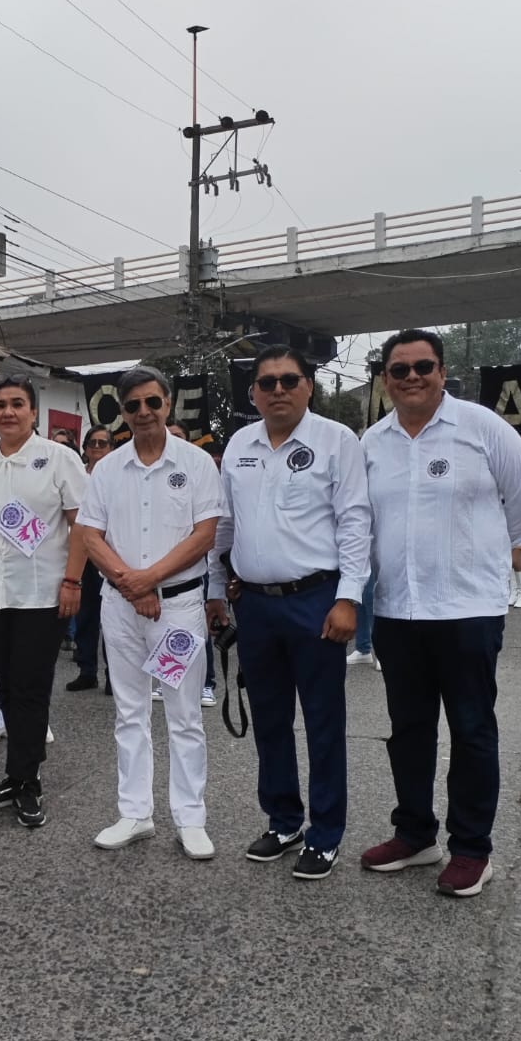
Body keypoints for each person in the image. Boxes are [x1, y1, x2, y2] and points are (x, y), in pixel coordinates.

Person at [359, 329, 521, 898]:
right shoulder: (372, 442)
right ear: (385, 379)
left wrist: (478, 554)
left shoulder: (482, 428)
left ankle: (471, 849)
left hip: (467, 609)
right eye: (399, 369)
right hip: (397, 610)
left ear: (442, 371)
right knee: (408, 730)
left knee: (471, 729)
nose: (412, 377)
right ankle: (415, 834)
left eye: (423, 367)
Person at [206, 345, 371, 878]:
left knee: (323, 723)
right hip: (254, 604)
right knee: (270, 720)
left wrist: (348, 598)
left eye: (289, 380)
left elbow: (354, 523)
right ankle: (283, 819)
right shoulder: (239, 444)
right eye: (267, 382)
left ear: (309, 386)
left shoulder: (336, 441)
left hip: (316, 602)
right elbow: (224, 525)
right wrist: (214, 587)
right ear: (253, 392)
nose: (278, 389)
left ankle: (325, 833)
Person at [77, 366, 223, 860]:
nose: (143, 412)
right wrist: (129, 582)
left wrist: (150, 578)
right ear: (122, 412)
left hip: (177, 608)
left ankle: (190, 817)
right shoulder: (106, 468)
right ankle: (135, 812)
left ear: (168, 404)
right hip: (120, 607)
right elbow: (90, 534)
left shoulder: (197, 463)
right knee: (129, 711)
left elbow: (204, 534)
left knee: (183, 716)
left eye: (152, 403)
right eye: (133, 405)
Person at [0, 374, 88, 829]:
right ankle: (15, 774)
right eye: (0, 405)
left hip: (40, 595)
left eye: (17, 404)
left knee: (30, 688)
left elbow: (81, 527)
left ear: (33, 411)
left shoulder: (59, 460)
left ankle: (28, 781)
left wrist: (73, 582)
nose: (7, 412)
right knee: (6, 685)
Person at [66, 424, 115, 693]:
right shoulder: (77, 478)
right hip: (83, 555)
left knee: (110, 617)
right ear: (85, 448)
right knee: (86, 616)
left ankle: (113, 674)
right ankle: (87, 670)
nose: (96, 448)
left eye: (102, 443)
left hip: (111, 554)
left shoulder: (118, 476)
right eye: (92, 443)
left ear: (111, 447)